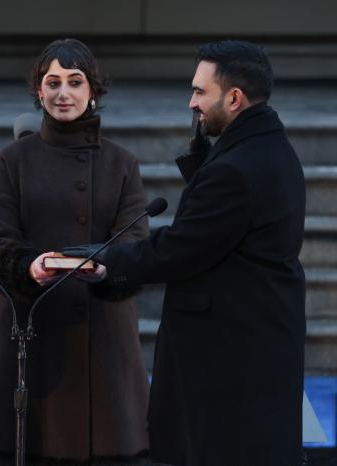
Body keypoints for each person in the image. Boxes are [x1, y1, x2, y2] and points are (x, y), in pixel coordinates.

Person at [65, 40, 306, 466]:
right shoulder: (268, 147)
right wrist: (204, 163)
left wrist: (105, 262)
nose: (191, 102)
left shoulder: (236, 169)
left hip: (226, 358)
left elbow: (180, 250)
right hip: (255, 343)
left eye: (200, 92)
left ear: (234, 98)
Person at [0, 38, 151, 465]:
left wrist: (105, 267)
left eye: (75, 82)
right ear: (39, 92)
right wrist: (30, 267)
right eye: (53, 82)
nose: (64, 93)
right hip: (26, 328)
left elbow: (135, 243)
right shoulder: (13, 160)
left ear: (92, 91)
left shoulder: (122, 163)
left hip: (100, 332)